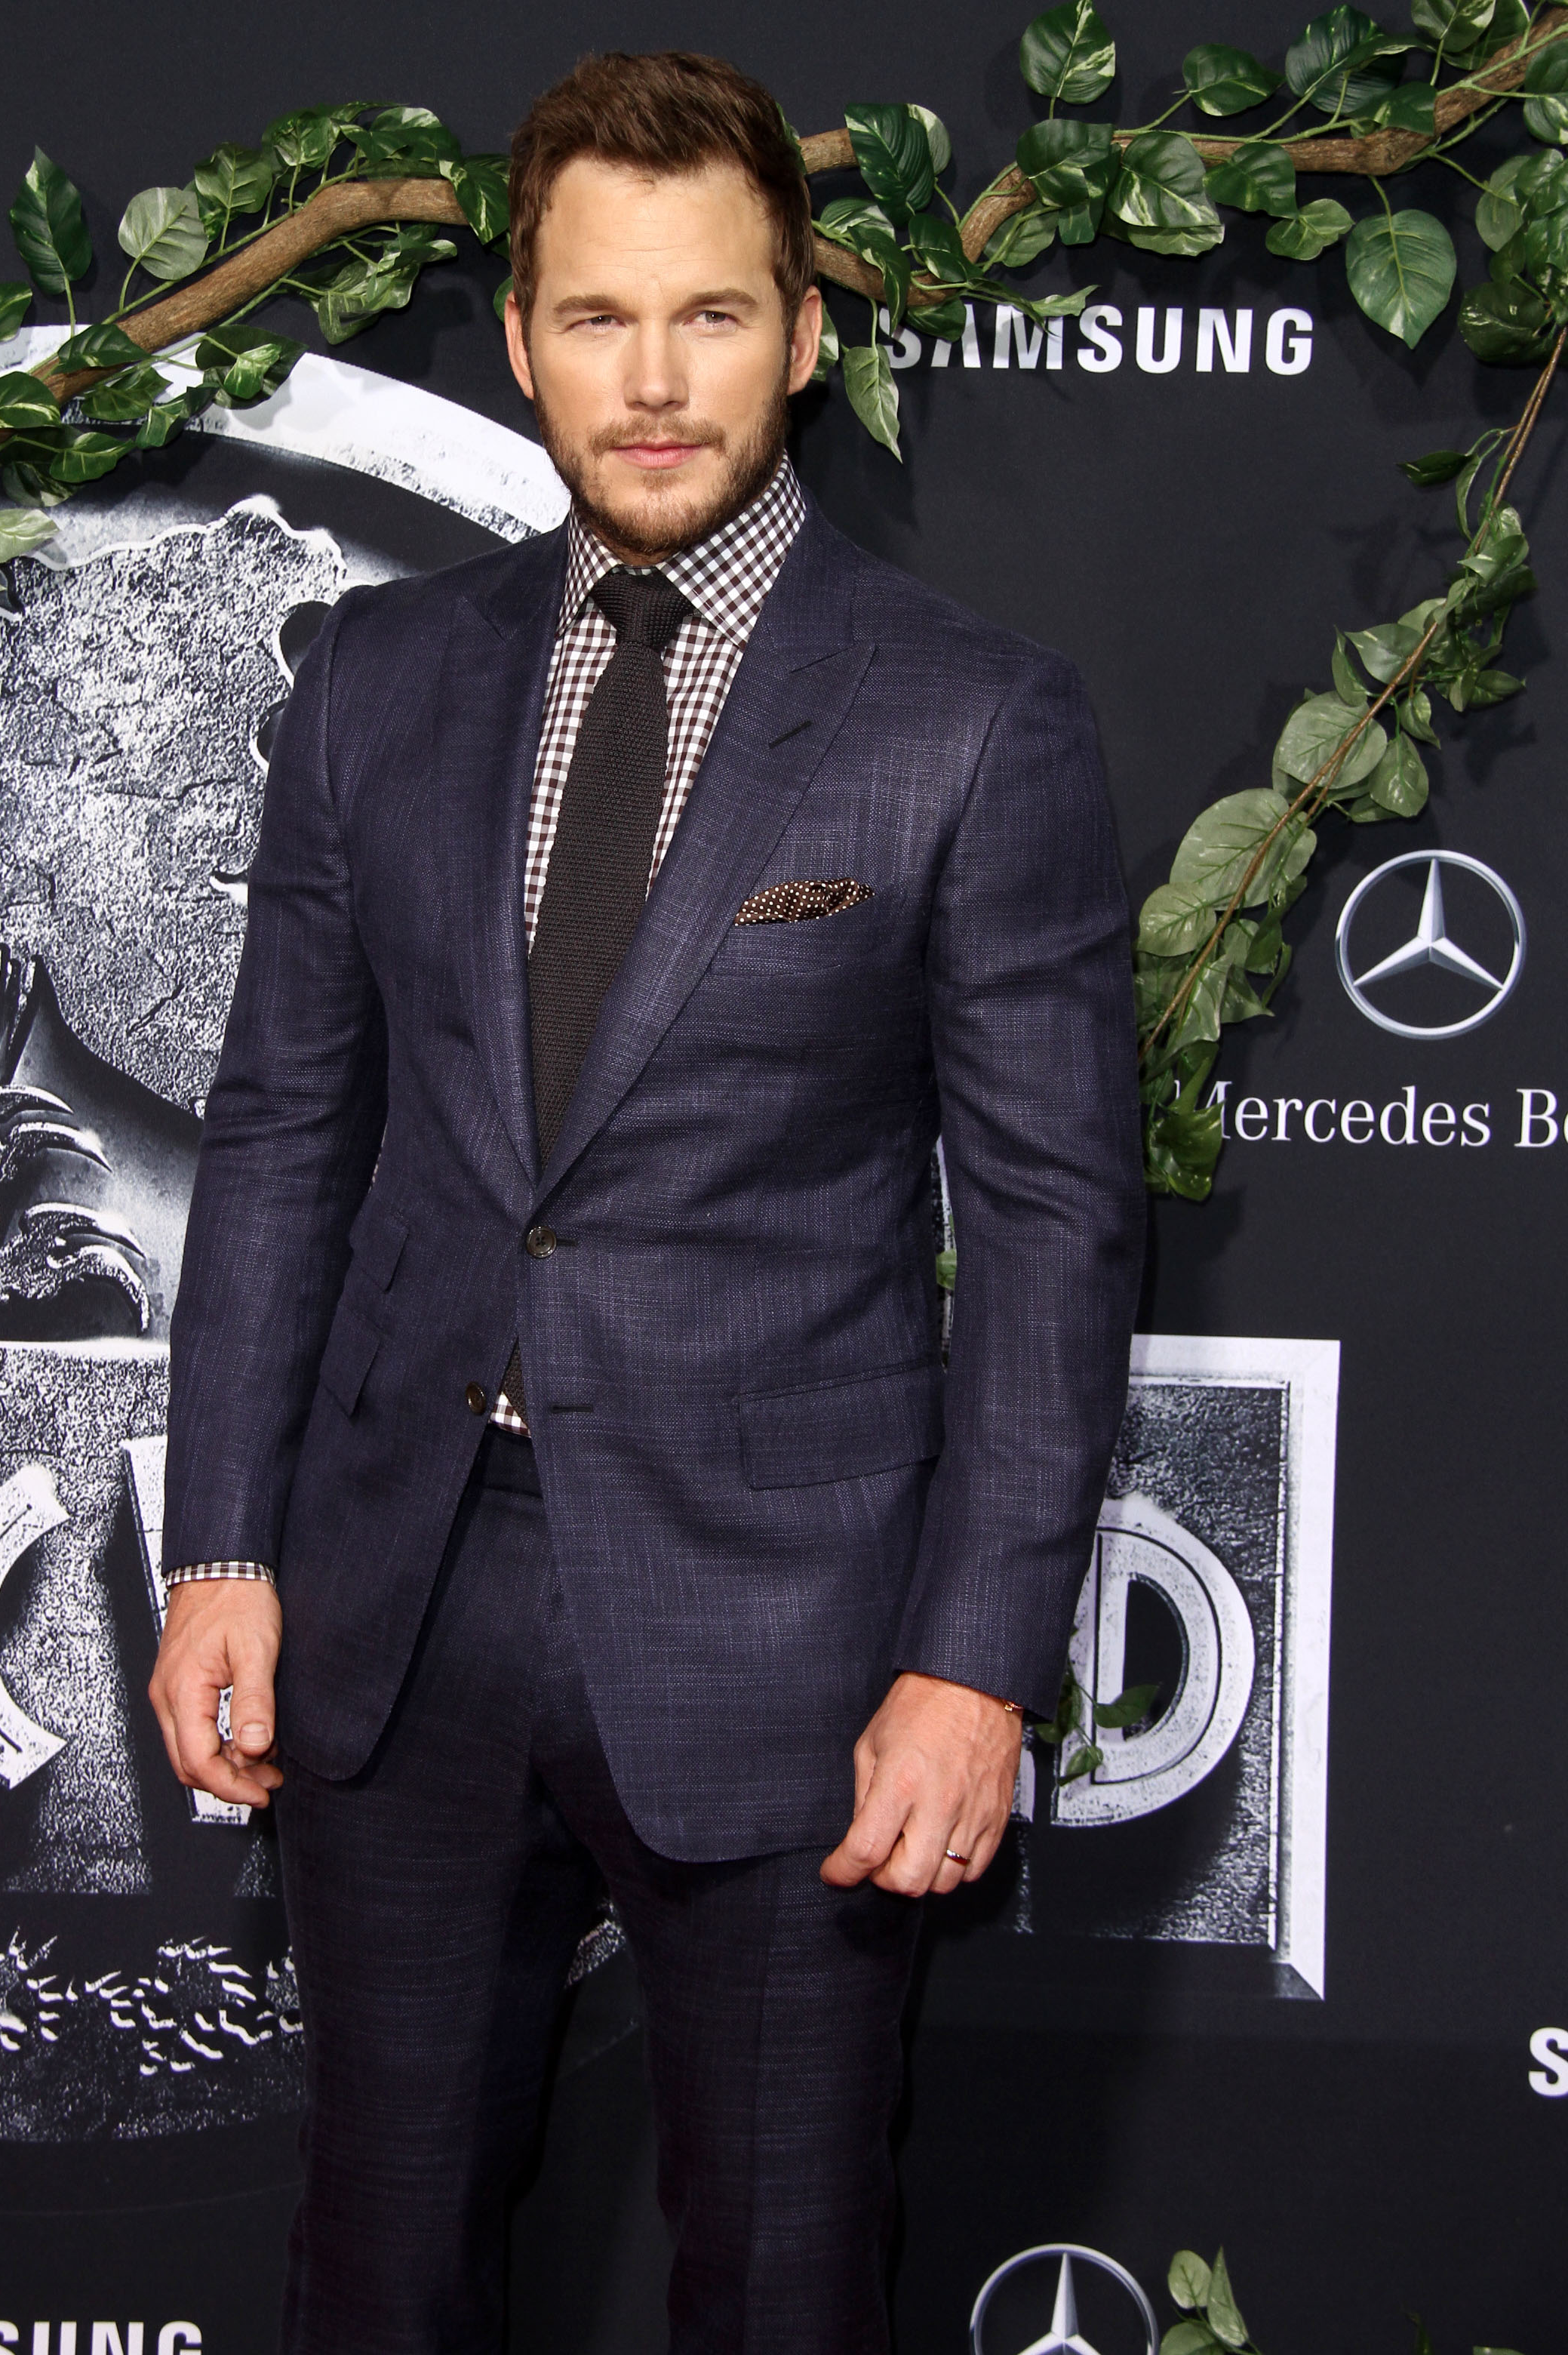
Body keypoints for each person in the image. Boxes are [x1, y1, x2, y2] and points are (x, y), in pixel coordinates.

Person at [149, 47, 1145, 2355]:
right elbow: (285, 1129)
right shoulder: (376, 681)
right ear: (520, 341)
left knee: (784, 2286)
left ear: (804, 331)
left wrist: (974, 1663)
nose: (656, 379)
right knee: (376, 2278)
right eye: (600, 317)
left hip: (792, 1633)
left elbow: (1055, 1226)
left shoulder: (968, 719)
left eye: (711, 314)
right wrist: (222, 1546)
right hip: (396, 1614)